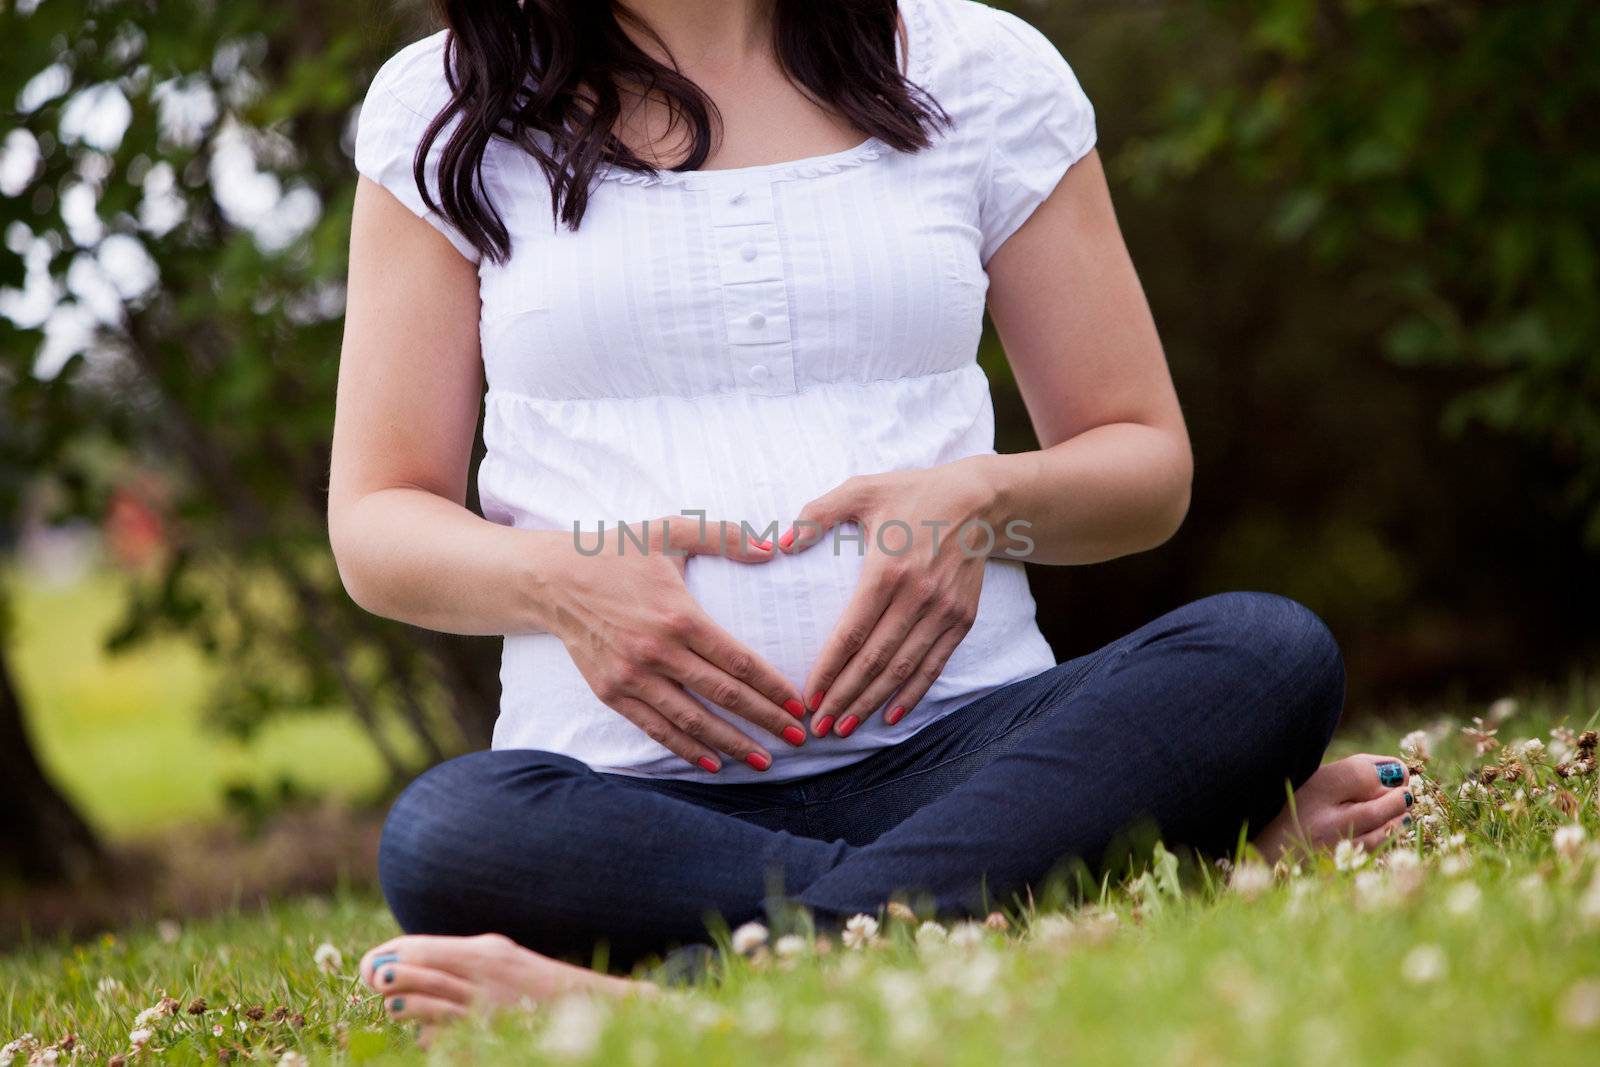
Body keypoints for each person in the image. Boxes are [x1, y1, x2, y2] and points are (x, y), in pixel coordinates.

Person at [328, 0, 1411, 1032]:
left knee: (1265, 651)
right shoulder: (443, 106)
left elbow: (1143, 463)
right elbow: (379, 521)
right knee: (449, 833)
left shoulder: (980, 69)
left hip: (979, 759)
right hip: (630, 804)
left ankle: (708, 990)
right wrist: (558, 578)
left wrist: (981, 503)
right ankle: (1092, 886)